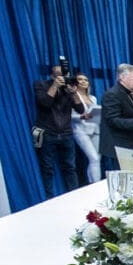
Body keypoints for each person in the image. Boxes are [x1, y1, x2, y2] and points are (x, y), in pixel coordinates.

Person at [33, 62, 85, 196]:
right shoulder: (41, 85)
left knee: (70, 167)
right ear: (52, 76)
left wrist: (74, 93)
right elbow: (45, 103)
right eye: (59, 75)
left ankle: (74, 195)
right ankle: (49, 198)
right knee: (47, 168)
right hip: (48, 133)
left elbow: (81, 110)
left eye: (64, 75)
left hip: (66, 134)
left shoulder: (69, 88)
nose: (62, 77)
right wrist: (55, 86)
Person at [98, 64, 133, 178]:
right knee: (124, 183)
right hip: (119, 148)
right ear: (122, 77)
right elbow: (113, 120)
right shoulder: (112, 94)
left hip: (132, 146)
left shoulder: (129, 94)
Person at [71, 73, 101, 183]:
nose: (84, 81)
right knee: (94, 158)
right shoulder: (73, 97)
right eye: (80, 79)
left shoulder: (93, 98)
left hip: (95, 129)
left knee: (97, 159)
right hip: (80, 130)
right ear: (75, 83)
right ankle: (96, 185)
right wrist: (81, 117)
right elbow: (68, 116)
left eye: (86, 80)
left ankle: (92, 183)